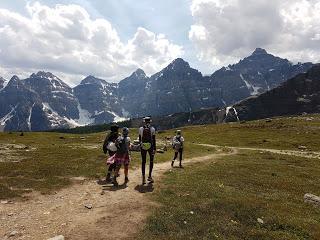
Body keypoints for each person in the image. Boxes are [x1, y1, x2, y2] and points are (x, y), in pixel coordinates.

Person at [139, 116, 156, 184]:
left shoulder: (140, 129)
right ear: (150, 122)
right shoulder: (152, 129)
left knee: (143, 161)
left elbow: (140, 138)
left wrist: (141, 145)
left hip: (143, 146)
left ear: (144, 121)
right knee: (151, 161)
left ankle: (143, 178)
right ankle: (149, 176)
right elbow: (154, 139)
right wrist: (154, 148)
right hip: (150, 146)